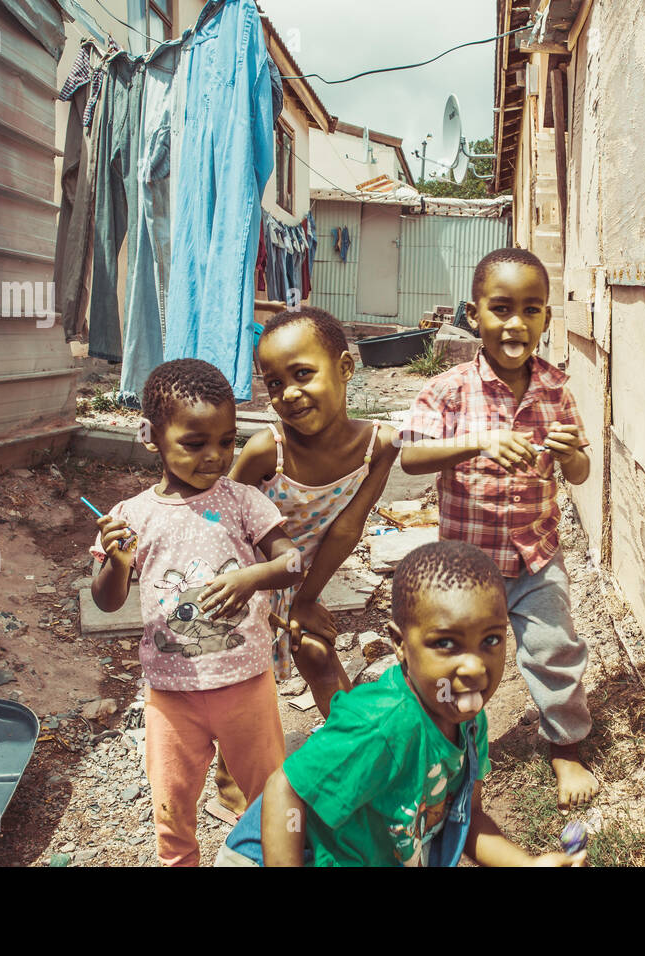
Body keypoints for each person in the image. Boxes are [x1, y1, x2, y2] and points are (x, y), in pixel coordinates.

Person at [214, 541, 587, 866]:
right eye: (446, 644)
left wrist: (526, 863)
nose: (474, 667)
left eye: (490, 640)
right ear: (399, 644)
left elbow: (467, 818)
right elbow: (287, 792)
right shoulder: (384, 724)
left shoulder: (465, 718)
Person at [398, 247, 600, 811]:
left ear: (545, 320)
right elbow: (411, 458)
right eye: (501, 309)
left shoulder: (555, 389)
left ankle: (565, 746)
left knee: (554, 648)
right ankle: (446, 751)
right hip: (465, 570)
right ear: (473, 313)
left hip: (535, 557)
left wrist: (569, 454)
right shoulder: (449, 389)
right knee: (456, 663)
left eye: (530, 310)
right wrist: (478, 441)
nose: (515, 323)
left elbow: (580, 472)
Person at [89, 358, 301, 865]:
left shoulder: (244, 501)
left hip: (246, 683)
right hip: (170, 694)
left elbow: (291, 561)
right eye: (195, 443)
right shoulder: (129, 516)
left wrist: (251, 577)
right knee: (172, 809)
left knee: (270, 798)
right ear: (151, 438)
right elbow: (106, 600)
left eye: (227, 441)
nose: (215, 456)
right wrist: (116, 562)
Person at [206, 306, 399, 823]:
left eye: (302, 374)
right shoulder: (268, 449)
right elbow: (220, 524)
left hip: (302, 575)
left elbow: (346, 528)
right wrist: (259, 595)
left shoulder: (379, 445)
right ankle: (230, 781)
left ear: (345, 368)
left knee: (315, 651)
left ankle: (359, 756)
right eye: (274, 383)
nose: (288, 393)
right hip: (243, 578)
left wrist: (306, 599)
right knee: (245, 680)